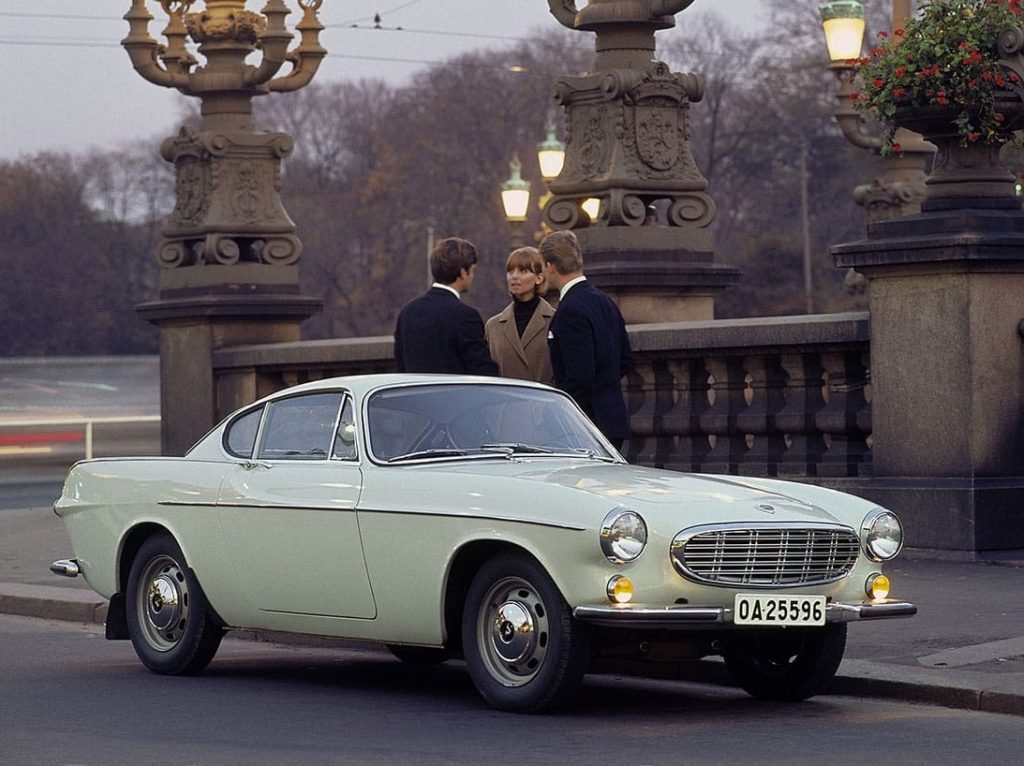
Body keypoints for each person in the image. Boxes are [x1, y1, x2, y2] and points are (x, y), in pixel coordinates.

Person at [540, 229, 633, 449]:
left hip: (585, 426)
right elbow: (626, 358)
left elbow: (579, 376)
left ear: (550, 266)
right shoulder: (605, 301)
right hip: (612, 417)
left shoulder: (570, 310)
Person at [393, 236, 499, 375]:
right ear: (463, 272)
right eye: (472, 270)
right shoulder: (466, 316)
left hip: (416, 396)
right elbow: (483, 371)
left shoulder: (408, 312)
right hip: (454, 395)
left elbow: (401, 364)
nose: (472, 276)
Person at [484, 247, 555, 384]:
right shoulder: (493, 327)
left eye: (523, 271)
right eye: (510, 271)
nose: (514, 276)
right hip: (504, 402)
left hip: (544, 403)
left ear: (539, 278)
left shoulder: (555, 321)